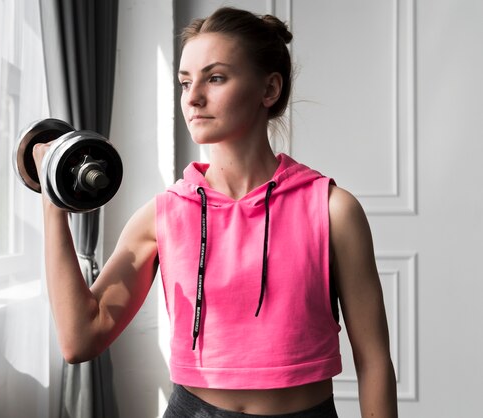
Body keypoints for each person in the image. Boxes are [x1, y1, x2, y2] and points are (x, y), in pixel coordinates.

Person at [33, 7, 398, 418]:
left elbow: (375, 362)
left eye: (216, 77)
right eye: (185, 82)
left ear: (269, 89)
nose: (193, 97)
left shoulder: (332, 210)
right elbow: (80, 339)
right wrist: (53, 200)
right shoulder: (163, 215)